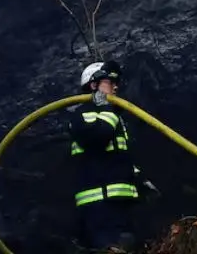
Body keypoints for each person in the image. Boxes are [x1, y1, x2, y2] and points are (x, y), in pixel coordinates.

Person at [68, 60, 159, 252]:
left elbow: (118, 157)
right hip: (99, 207)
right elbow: (100, 135)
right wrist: (107, 108)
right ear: (93, 85)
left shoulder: (113, 118)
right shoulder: (81, 115)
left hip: (120, 203)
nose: (116, 86)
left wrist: (139, 179)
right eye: (110, 82)